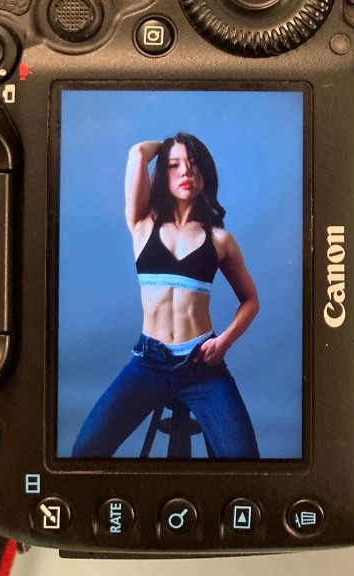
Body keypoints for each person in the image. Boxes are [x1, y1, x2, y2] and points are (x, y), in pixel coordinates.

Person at [72, 133, 260, 458]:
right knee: (85, 451)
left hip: (202, 367)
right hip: (149, 363)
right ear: (163, 174)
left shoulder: (220, 240)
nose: (185, 171)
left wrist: (224, 343)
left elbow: (251, 300)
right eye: (174, 166)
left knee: (245, 462)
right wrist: (169, 144)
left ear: (205, 174)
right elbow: (137, 152)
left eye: (193, 164)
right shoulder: (142, 225)